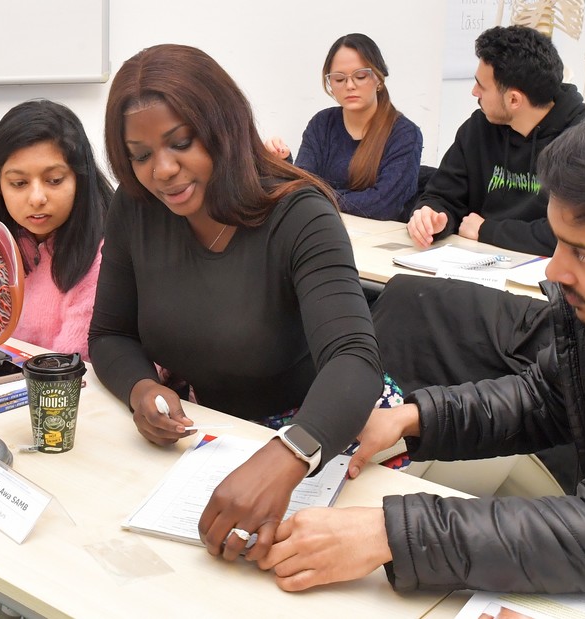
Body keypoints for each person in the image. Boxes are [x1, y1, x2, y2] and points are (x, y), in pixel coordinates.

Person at [259, 96, 585, 594]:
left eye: (584, 254)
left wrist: (391, 533)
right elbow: (547, 398)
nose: (555, 271)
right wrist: (414, 417)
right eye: (557, 241)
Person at [90, 44, 383, 565]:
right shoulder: (135, 210)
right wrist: (141, 388)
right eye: (139, 155)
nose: (162, 170)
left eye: (181, 143)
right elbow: (111, 334)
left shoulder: (300, 215)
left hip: (321, 434)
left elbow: (355, 360)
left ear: (223, 127)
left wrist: (290, 453)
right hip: (209, 434)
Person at [407, 25, 585, 255]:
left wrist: (487, 230)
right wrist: (432, 215)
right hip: (472, 261)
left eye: (482, 86)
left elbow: (571, 234)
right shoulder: (479, 127)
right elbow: (443, 195)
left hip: (544, 275)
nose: (475, 92)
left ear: (514, 99)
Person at [0, 99, 111, 360]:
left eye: (54, 180)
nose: (37, 198)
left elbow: (67, 366)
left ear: (80, 177)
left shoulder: (103, 255)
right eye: (19, 183)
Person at [264, 33, 423, 221]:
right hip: (324, 229)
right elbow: (301, 187)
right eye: (339, 79)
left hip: (380, 239)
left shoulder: (404, 134)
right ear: (329, 83)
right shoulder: (322, 123)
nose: (349, 85)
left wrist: (319, 195)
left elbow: (383, 206)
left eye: (361, 76)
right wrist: (282, 162)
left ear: (379, 79)